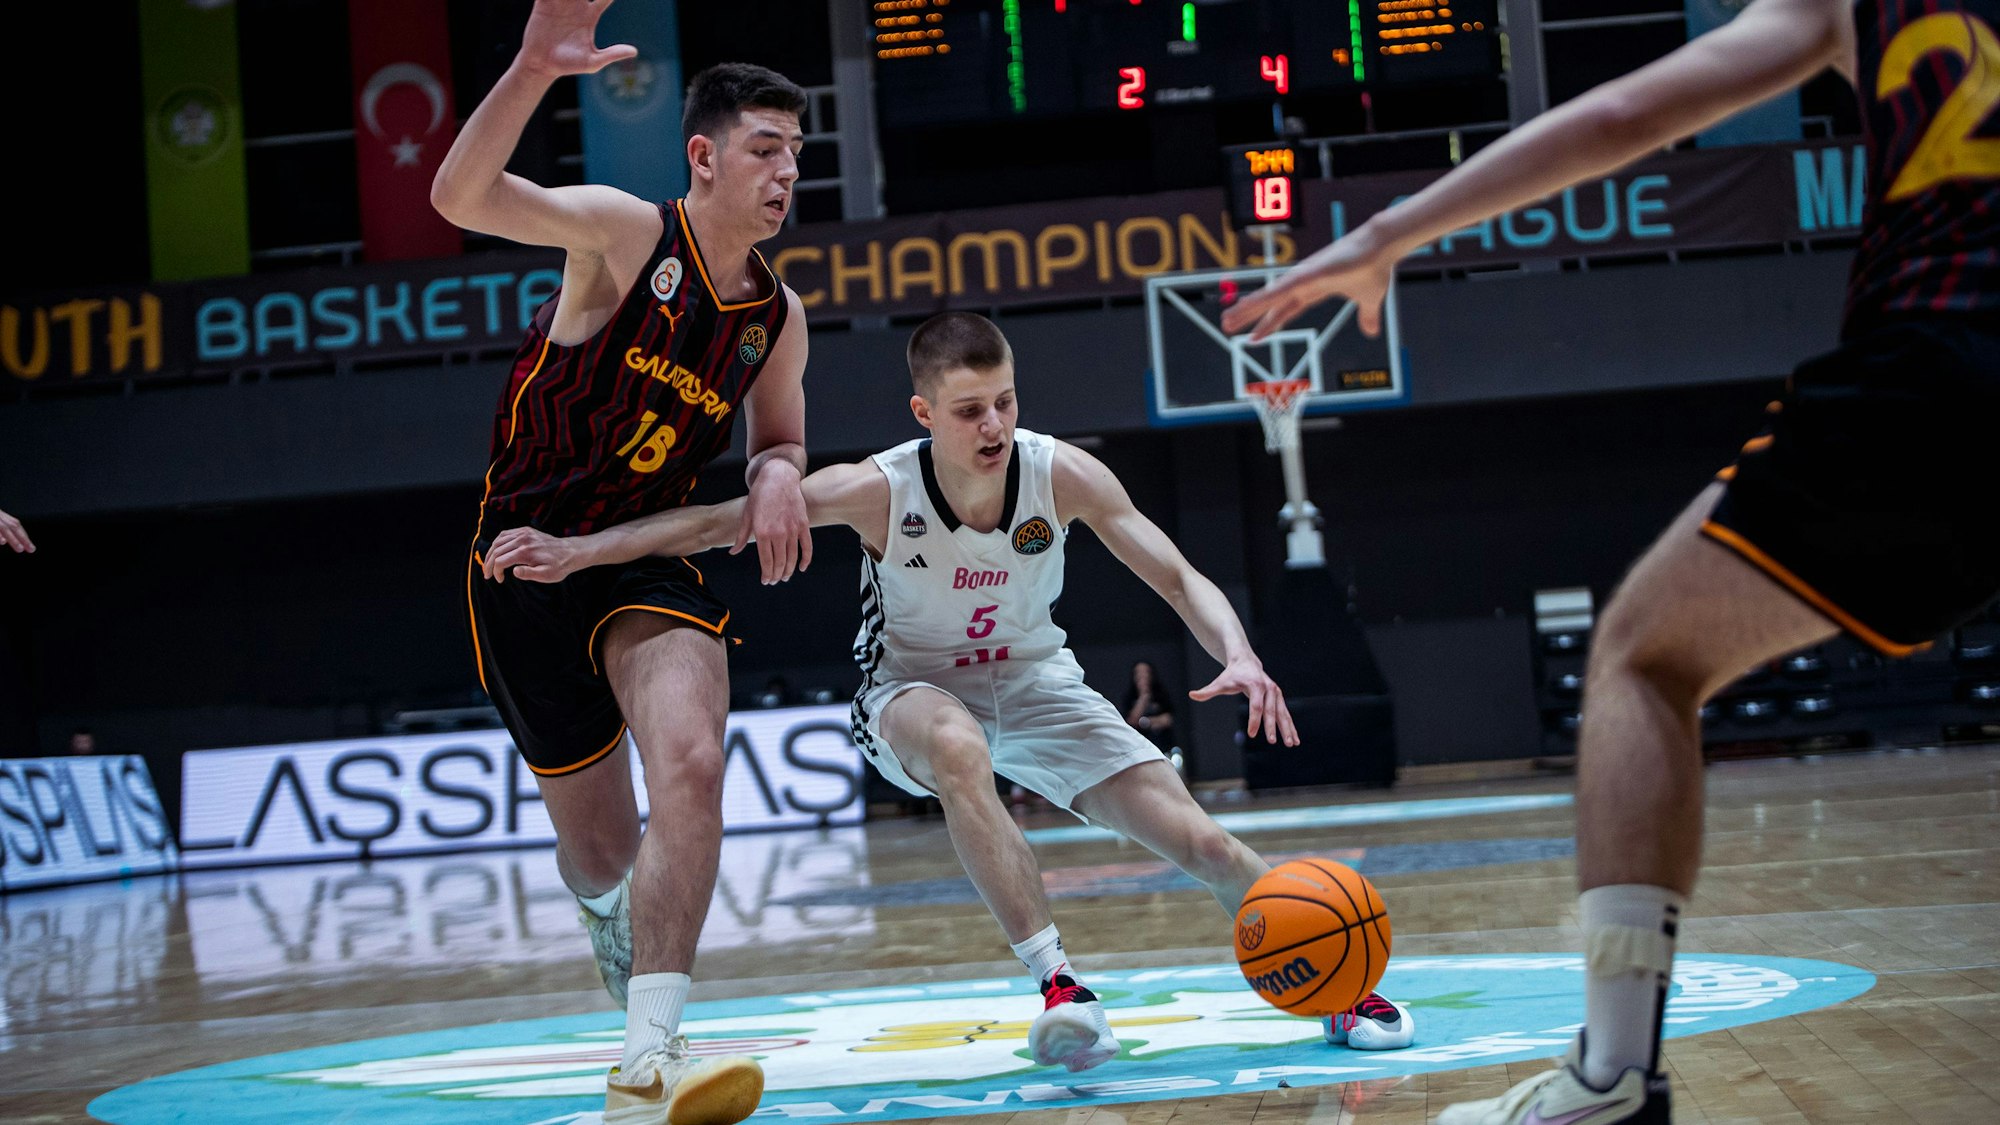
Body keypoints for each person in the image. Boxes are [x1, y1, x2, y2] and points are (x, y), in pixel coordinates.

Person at [1222, 0, 1999, 1118]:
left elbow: (1623, 113)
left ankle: (1613, 1076)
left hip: (1947, 360)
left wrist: (1381, 232)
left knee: (1642, 656)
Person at [481, 311, 1417, 1072]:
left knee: (1205, 841)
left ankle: (1336, 985)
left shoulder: (1064, 473)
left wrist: (1241, 652)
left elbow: (1176, 576)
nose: (995, 426)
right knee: (962, 748)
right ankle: (1060, 987)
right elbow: (717, 519)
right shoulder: (880, 490)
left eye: (1005, 401)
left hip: (1041, 683)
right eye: (970, 409)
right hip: (910, 693)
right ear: (925, 412)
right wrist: (581, 552)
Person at [434, 2, 814, 1120]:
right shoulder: (624, 233)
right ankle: (611, 918)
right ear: (702, 156)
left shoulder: (775, 317)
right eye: (764, 147)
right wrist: (528, 71)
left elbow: (780, 436)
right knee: (599, 849)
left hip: (639, 558)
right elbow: (458, 198)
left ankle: (652, 1049)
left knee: (692, 761)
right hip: (521, 558)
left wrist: (780, 472)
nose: (786, 171)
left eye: (796, 152)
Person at [1121, 661, 1177, 755]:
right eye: (1138, 673)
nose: (1142, 676)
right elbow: (1131, 721)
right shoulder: (1129, 697)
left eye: (1145, 672)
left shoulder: (1161, 694)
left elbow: (1168, 719)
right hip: (1140, 749)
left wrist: (1144, 722)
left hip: (1164, 746)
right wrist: (1143, 698)